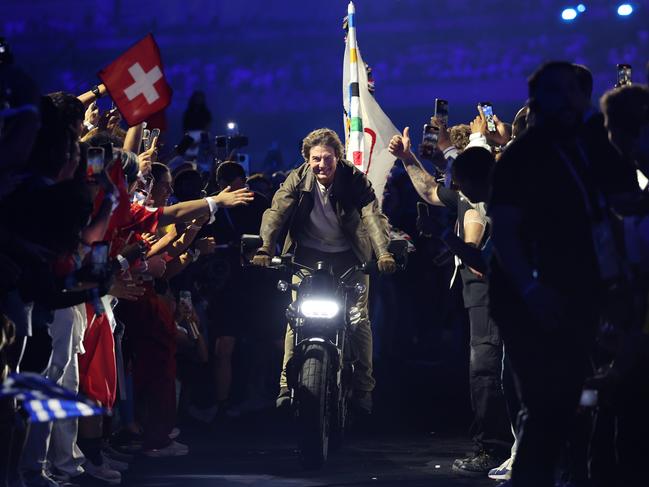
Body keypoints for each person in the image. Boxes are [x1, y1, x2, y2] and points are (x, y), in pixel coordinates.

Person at [488, 61, 621, 487]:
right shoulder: (521, 158)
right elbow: (505, 232)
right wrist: (529, 287)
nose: (567, 100)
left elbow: (622, 200)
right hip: (531, 298)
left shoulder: (591, 147)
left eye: (573, 90)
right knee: (548, 405)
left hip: (585, 293)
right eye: (555, 91)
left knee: (584, 403)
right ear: (536, 100)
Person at [389, 129, 511, 475]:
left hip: (492, 297)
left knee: (487, 371)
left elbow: (479, 260)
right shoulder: (468, 195)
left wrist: (441, 234)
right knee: (487, 371)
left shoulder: (491, 205)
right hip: (478, 297)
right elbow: (429, 189)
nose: (455, 188)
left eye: (459, 182)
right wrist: (407, 158)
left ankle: (495, 448)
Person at [252, 128, 396, 413]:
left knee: (358, 320)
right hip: (307, 257)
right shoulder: (297, 179)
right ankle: (285, 385)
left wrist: (383, 254)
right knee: (296, 318)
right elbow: (276, 212)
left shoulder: (355, 180)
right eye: (316, 158)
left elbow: (371, 216)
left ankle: (364, 388)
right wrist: (265, 248)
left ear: (337, 157)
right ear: (307, 159)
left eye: (327, 158)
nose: (322, 164)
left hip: (350, 257)